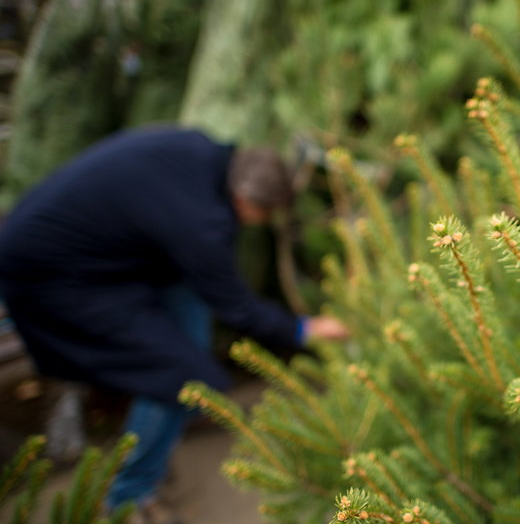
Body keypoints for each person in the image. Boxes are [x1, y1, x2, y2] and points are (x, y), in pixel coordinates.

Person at [0, 127, 347, 522]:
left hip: (88, 247)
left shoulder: (202, 152)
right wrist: (306, 329)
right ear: (246, 199)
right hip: (53, 276)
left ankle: (167, 424)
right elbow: (237, 309)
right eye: (262, 215)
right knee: (180, 377)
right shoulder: (201, 223)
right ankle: (129, 495)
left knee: (188, 338)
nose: (258, 224)